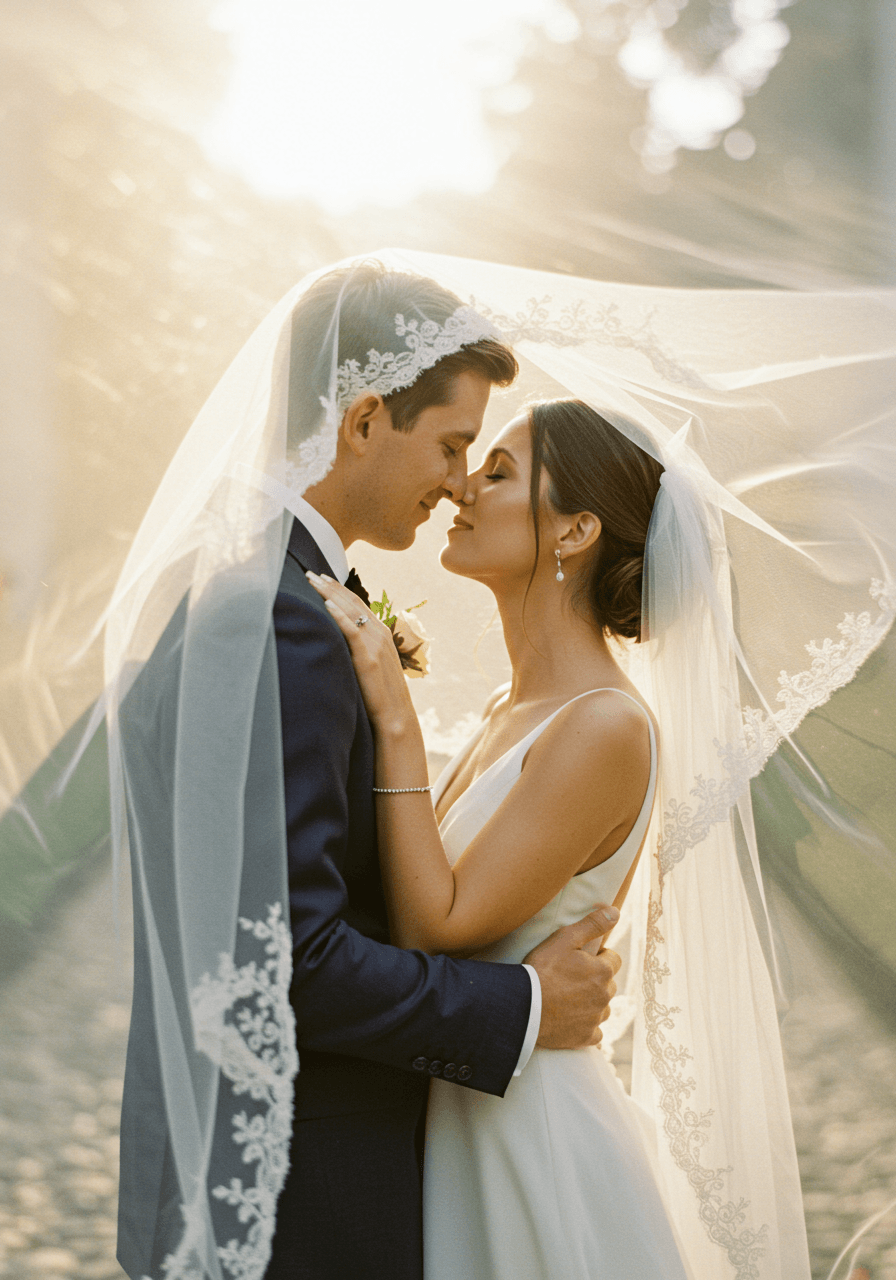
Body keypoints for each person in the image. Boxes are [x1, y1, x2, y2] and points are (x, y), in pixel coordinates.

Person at [113, 263, 623, 1280]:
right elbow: (289, 959)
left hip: (225, 1162)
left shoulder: (253, 590)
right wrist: (519, 1005)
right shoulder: (287, 625)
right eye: (449, 444)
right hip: (305, 1197)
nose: (455, 481)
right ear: (359, 422)